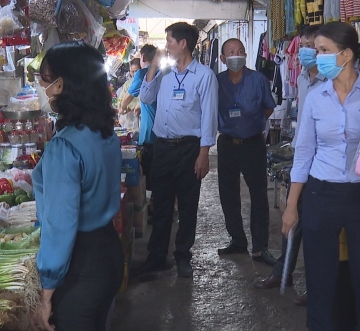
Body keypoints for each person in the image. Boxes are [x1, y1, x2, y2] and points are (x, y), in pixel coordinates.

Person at [284, 22, 360, 331]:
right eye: (317, 50)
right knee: (320, 276)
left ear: (345, 55)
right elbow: (304, 152)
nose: (316, 56)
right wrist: (292, 206)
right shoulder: (316, 96)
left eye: (323, 51)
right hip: (321, 194)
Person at [30, 42, 124, 331]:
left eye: (44, 78)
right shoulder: (104, 133)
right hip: (108, 253)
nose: (40, 84)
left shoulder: (64, 146)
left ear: (61, 85)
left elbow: (60, 224)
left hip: (78, 267)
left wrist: (47, 291)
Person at [134, 22, 218, 278]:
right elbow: (146, 97)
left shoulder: (204, 76)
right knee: (161, 204)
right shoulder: (166, 76)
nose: (166, 46)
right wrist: (153, 66)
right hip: (162, 148)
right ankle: (157, 257)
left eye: (169, 41)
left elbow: (209, 118)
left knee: (188, 204)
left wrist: (204, 153)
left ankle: (183, 255)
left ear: (183, 44)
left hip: (188, 149)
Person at [255, 25, 324, 297]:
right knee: (290, 216)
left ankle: (316, 286)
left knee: (316, 226)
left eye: (314, 46)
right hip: (301, 156)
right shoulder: (304, 79)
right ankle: (283, 272)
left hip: (323, 164)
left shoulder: (330, 82)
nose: (307, 51)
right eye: (304, 45)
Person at [215, 38, 277, 265]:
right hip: (227, 144)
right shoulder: (217, 81)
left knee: (259, 195)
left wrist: (254, 124)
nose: (236, 55)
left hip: (253, 144)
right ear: (223, 58)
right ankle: (238, 240)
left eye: (240, 51)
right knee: (228, 194)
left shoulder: (258, 80)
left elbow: (269, 107)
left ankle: (260, 247)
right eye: (231, 52)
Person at [126, 46, 158, 194]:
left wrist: (121, 108)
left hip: (149, 136)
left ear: (143, 58)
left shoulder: (142, 74)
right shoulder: (166, 74)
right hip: (165, 136)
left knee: (150, 177)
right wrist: (141, 106)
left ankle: (152, 207)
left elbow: (125, 101)